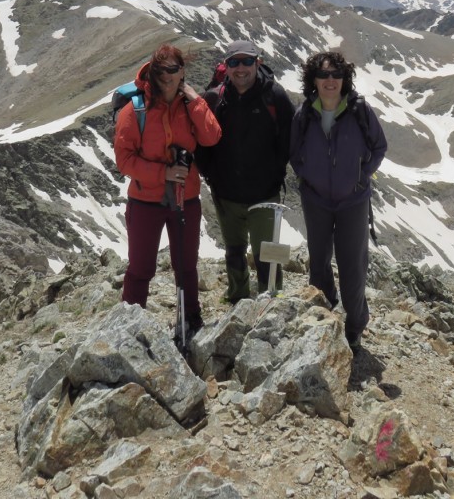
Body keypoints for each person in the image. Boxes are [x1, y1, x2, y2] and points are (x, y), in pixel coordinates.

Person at [114, 43, 222, 332]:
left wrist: (195, 99)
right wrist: (165, 172)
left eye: (173, 70)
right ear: (152, 72)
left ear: (182, 71)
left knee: (186, 266)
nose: (166, 76)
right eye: (160, 70)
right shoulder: (134, 110)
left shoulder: (190, 106)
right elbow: (124, 160)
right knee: (140, 269)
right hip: (145, 202)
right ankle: (128, 327)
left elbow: (212, 136)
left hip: (185, 199)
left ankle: (190, 320)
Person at [289, 50, 387, 353]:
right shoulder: (305, 113)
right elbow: (294, 153)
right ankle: (324, 308)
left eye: (336, 75)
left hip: (353, 201)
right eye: (323, 75)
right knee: (318, 262)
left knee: (352, 266)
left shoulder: (359, 110)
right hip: (316, 199)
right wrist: (307, 177)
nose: (330, 80)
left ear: (344, 79)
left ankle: (355, 326)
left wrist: (362, 177)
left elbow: (379, 146)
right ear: (314, 80)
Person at [197, 40, 295, 303]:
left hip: (264, 194)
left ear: (257, 63)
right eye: (234, 62)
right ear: (225, 67)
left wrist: (274, 175)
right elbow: (201, 144)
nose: (241, 68)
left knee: (268, 254)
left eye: (247, 61)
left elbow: (289, 142)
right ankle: (237, 302)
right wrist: (211, 175)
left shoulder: (275, 97)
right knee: (234, 251)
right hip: (226, 194)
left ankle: (271, 304)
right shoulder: (214, 99)